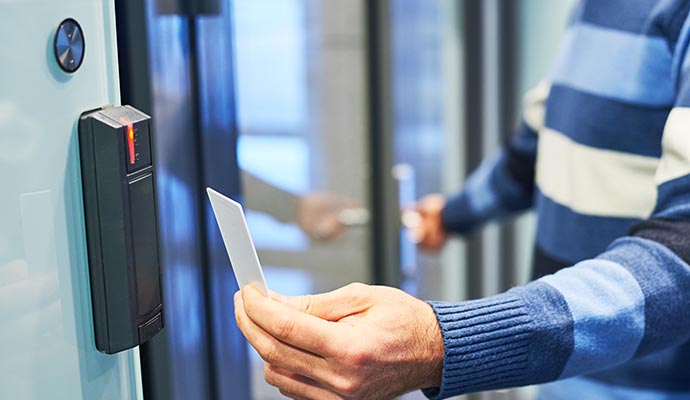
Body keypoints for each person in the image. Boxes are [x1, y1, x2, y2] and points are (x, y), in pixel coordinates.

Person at [235, 1, 690, 399]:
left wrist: (444, 343)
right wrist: (452, 216)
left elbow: (683, 253)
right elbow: (537, 150)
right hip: (567, 377)